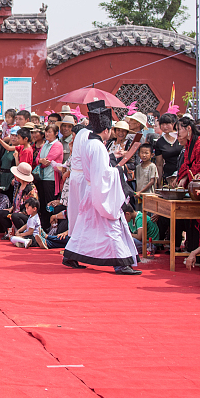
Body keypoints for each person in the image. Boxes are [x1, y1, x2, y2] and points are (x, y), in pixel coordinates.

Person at [62, 101, 141, 275]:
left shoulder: (90, 143)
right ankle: (120, 263)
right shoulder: (97, 146)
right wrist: (118, 169)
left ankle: (71, 255)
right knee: (112, 226)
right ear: (105, 130)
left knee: (85, 226)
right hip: (99, 191)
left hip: (93, 190)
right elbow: (102, 174)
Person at [34, 124, 63, 230]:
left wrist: (41, 161)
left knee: (50, 203)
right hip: (42, 177)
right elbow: (37, 159)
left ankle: (51, 227)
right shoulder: (45, 145)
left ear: (56, 133)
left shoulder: (58, 145)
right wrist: (40, 161)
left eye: (50, 132)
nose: (47, 134)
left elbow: (47, 161)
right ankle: (44, 226)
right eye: (46, 132)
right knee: (42, 203)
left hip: (51, 178)